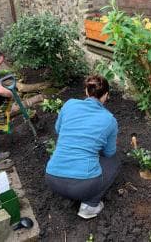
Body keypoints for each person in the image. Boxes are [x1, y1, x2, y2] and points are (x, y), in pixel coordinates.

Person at [45, 75, 120, 219]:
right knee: (114, 162)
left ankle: (70, 194)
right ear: (106, 95)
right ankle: (90, 206)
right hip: (83, 187)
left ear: (86, 91)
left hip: (52, 178)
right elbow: (109, 153)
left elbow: (58, 130)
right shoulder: (109, 120)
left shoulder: (70, 104)